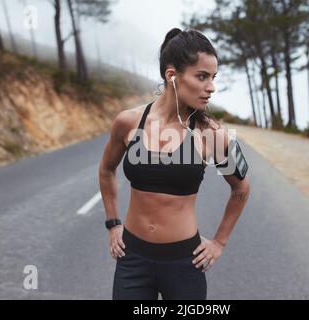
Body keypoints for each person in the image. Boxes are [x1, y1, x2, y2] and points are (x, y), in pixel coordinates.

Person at [98, 28, 250, 300]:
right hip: (132, 260)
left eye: (213, 78)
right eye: (202, 76)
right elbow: (106, 169)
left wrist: (219, 242)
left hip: (184, 263)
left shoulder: (213, 134)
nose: (211, 87)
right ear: (172, 75)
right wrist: (113, 224)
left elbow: (241, 188)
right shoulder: (128, 122)